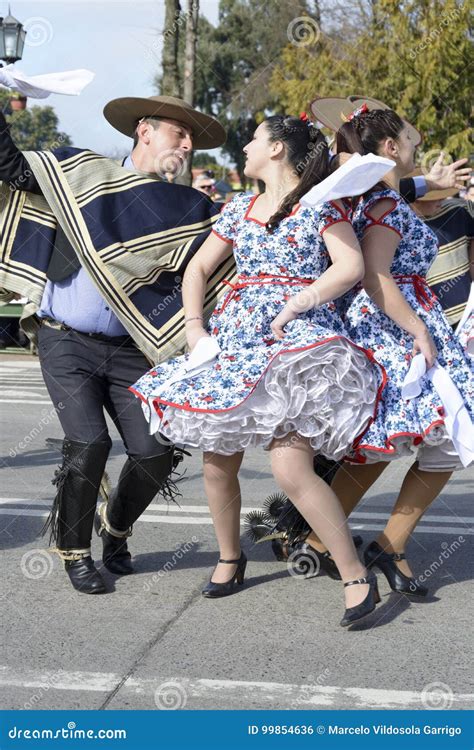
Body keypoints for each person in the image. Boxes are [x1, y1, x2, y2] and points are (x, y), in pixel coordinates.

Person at [130, 114, 392, 628]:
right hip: (234, 341)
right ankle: (231, 558)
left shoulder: (321, 203)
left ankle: (356, 575)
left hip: (296, 345)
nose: (244, 149)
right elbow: (199, 269)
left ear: (276, 150)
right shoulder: (238, 208)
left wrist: (300, 302)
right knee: (216, 462)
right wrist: (195, 330)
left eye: (252, 140)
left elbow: (350, 267)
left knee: (290, 468)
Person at [0, 95, 226, 594]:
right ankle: (75, 552)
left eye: (192, 139)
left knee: (155, 452)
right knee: (90, 444)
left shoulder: (184, 207)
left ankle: (115, 529)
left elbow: (264, 221)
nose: (187, 145)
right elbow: (13, 168)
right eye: (178, 133)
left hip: (131, 351)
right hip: (66, 341)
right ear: (144, 131)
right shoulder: (83, 174)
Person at [258, 107, 474, 595]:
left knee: (394, 439)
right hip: (395, 325)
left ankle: (333, 541)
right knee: (436, 436)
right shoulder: (384, 205)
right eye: (409, 139)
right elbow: (377, 278)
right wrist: (418, 329)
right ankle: (377, 545)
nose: (417, 146)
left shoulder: (377, 196)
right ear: (392, 148)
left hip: (394, 321)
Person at [410, 175, 474, 328]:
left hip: (468, 311)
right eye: (434, 196)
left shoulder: (460, 209)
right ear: (416, 199)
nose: (441, 199)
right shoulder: (402, 226)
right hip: (433, 320)